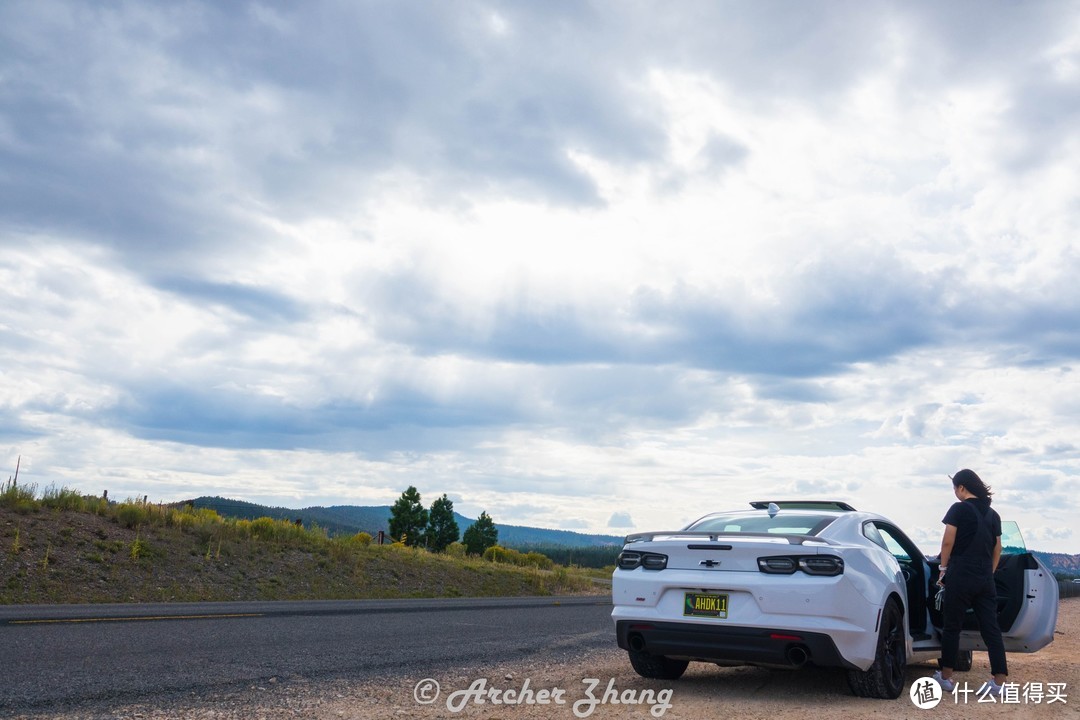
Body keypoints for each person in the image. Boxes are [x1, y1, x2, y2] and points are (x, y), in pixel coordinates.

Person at [931, 469, 1008, 698]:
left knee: (952, 626)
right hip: (985, 576)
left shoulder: (959, 509)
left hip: (961, 573)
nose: (955, 493)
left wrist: (943, 570)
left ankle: (945, 677)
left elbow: (947, 542)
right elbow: (998, 548)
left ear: (962, 487)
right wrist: (989, 572)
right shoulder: (993, 514)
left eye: (955, 489)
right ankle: (999, 682)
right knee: (991, 628)